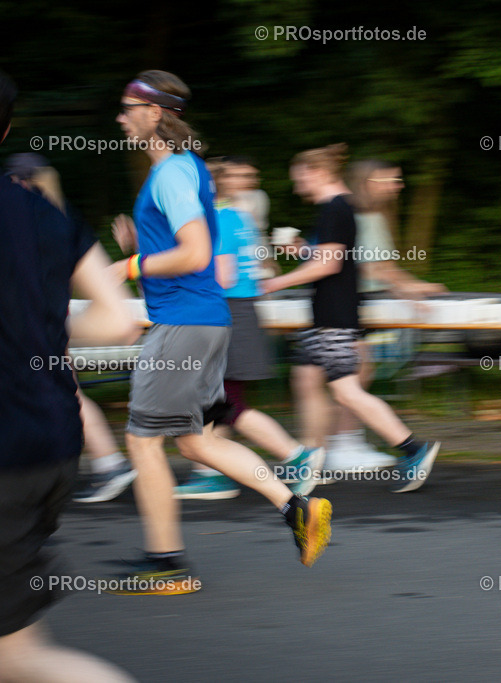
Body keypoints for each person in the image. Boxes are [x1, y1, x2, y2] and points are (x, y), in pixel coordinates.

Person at [110, 70, 332, 591]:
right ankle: (297, 509)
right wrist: (137, 250)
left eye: (127, 108)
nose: (119, 118)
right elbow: (187, 251)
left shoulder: (170, 174)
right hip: (206, 320)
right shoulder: (187, 170)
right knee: (193, 442)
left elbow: (195, 253)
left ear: (156, 113)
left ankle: (166, 566)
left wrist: (129, 268)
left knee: (143, 443)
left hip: (184, 325)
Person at [0, 69, 136, 681]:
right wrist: (37, 325)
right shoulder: (47, 215)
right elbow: (116, 321)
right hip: (49, 445)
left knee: (20, 659)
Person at [262, 144, 439, 493]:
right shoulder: (340, 207)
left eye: (300, 179)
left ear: (318, 173)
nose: (298, 187)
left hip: (334, 315)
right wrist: (300, 251)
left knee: (346, 392)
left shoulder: (335, 207)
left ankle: (414, 451)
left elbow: (330, 264)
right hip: (325, 314)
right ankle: (311, 462)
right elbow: (332, 256)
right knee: (305, 380)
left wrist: (274, 281)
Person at [173, 157, 325, 500]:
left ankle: (297, 456)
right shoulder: (239, 216)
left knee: (227, 402)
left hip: (227, 314)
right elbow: (253, 268)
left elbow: (222, 277)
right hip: (240, 313)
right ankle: (214, 473)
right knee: (221, 401)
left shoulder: (217, 219)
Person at [4, 153, 138, 503]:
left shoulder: (23, 223)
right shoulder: (62, 221)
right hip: (50, 332)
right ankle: (109, 462)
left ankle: (109, 463)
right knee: (69, 392)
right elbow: (116, 315)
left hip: (30, 342)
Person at [318, 159, 446, 473]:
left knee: (355, 376)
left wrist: (413, 285)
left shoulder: (370, 214)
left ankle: (346, 443)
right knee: (350, 379)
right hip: (345, 305)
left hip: (351, 304)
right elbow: (375, 268)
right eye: (389, 179)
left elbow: (382, 266)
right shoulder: (362, 215)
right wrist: (410, 290)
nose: (397, 185)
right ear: (368, 182)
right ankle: (344, 446)